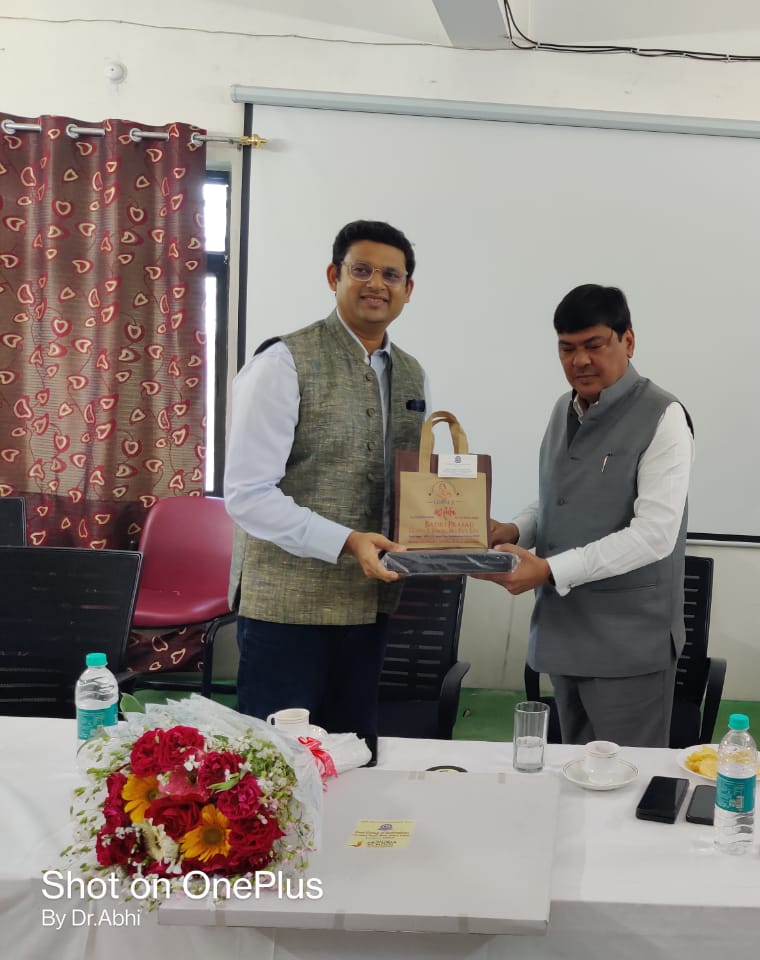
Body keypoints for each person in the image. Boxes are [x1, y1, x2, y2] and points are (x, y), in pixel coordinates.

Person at [224, 220, 428, 756]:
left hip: (369, 605)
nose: (376, 284)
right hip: (287, 609)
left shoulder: (412, 374)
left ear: (408, 289)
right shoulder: (282, 362)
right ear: (334, 276)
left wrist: (455, 530)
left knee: (353, 757)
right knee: (278, 768)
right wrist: (347, 541)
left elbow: (411, 484)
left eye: (391, 275)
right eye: (361, 270)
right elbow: (248, 493)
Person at [481, 284, 694, 748]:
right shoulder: (565, 408)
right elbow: (558, 497)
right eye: (567, 348)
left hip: (627, 643)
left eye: (594, 345)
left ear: (627, 341)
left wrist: (548, 569)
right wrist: (515, 529)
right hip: (564, 632)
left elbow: (654, 535)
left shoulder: (664, 416)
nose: (579, 361)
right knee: (572, 772)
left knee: (628, 776)